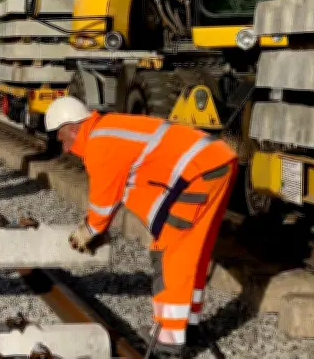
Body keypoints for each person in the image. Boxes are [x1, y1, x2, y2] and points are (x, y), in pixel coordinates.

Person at [44, 96, 238, 356]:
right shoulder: (108, 129)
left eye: (62, 139)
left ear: (72, 128)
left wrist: (87, 232)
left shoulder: (100, 143)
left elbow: (102, 205)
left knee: (170, 253)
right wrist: (99, 227)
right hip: (216, 163)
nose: (65, 148)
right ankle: (186, 326)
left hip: (199, 173)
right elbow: (118, 192)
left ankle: (168, 339)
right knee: (194, 252)